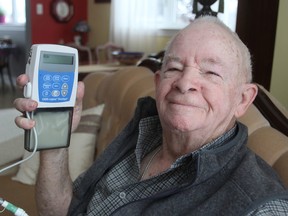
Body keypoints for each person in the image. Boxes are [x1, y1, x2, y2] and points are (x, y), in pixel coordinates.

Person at [14, 16, 288, 215]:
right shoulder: (141, 130)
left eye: (211, 72)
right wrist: (54, 143)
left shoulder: (261, 206)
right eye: (174, 68)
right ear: (158, 84)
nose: (184, 82)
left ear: (243, 100)